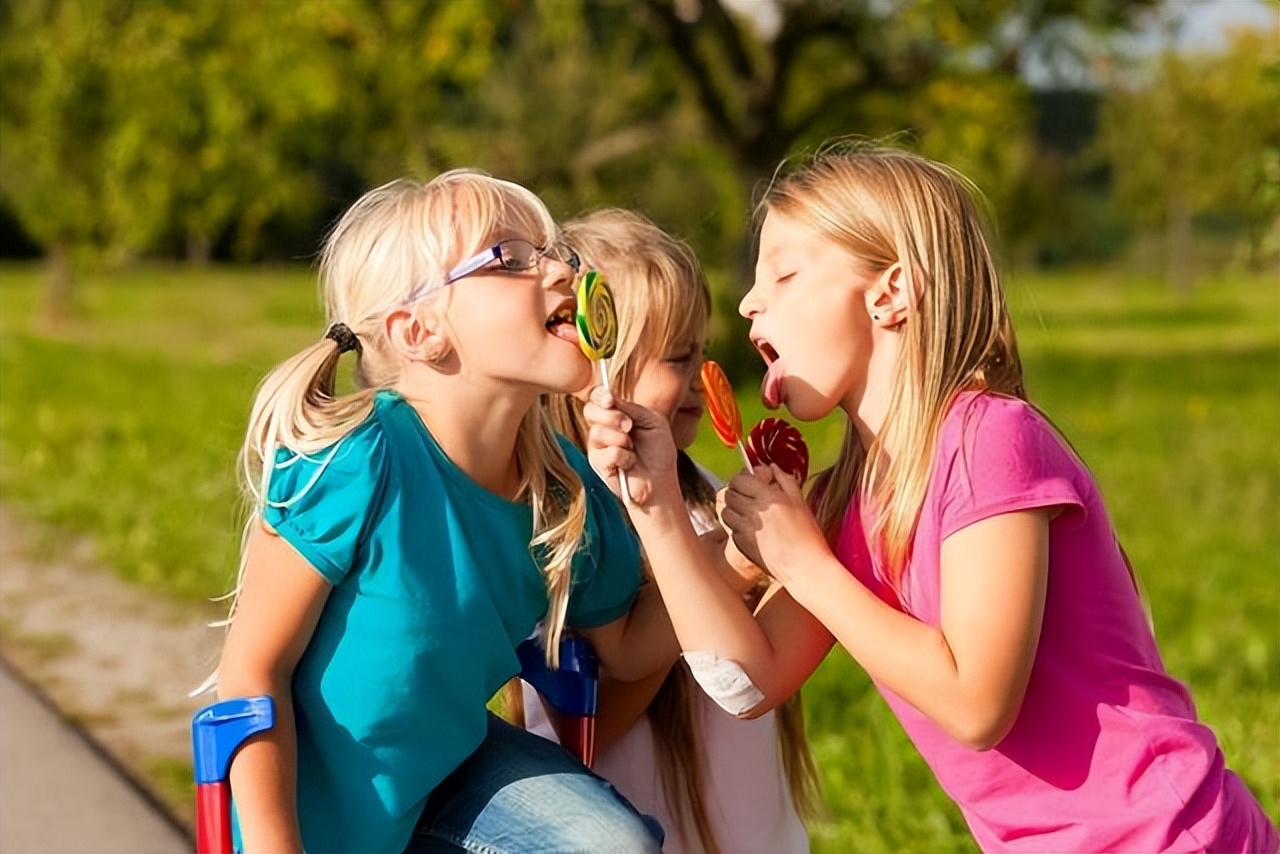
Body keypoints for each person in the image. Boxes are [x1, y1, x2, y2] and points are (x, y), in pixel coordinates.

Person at [582, 143, 1279, 853]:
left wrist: (805, 565)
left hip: (1165, 835)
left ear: (890, 293)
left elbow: (977, 704)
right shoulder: (843, 499)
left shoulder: (988, 439)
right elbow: (746, 684)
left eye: (784, 274)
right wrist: (657, 505)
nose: (748, 301)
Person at [211, 171, 673, 854]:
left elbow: (629, 650)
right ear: (420, 330)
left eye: (557, 253)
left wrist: (743, 557)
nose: (560, 269)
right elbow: (251, 672)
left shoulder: (561, 486)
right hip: (317, 818)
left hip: (449, 773)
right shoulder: (359, 460)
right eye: (511, 258)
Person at [505, 208, 821, 854]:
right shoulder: (562, 522)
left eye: (704, 349)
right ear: (594, 364)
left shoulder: (706, 486)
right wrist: (722, 573)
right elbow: (589, 726)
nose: (705, 378)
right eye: (679, 357)